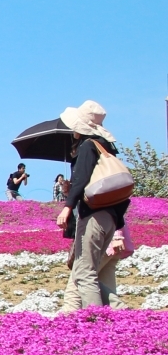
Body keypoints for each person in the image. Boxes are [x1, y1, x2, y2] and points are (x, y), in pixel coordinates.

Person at [56, 100, 130, 313]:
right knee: (82, 271)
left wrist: (67, 206)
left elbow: (81, 180)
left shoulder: (88, 146)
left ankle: (97, 320)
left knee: (85, 272)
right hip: (110, 217)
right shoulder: (106, 146)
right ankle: (119, 311)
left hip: (94, 216)